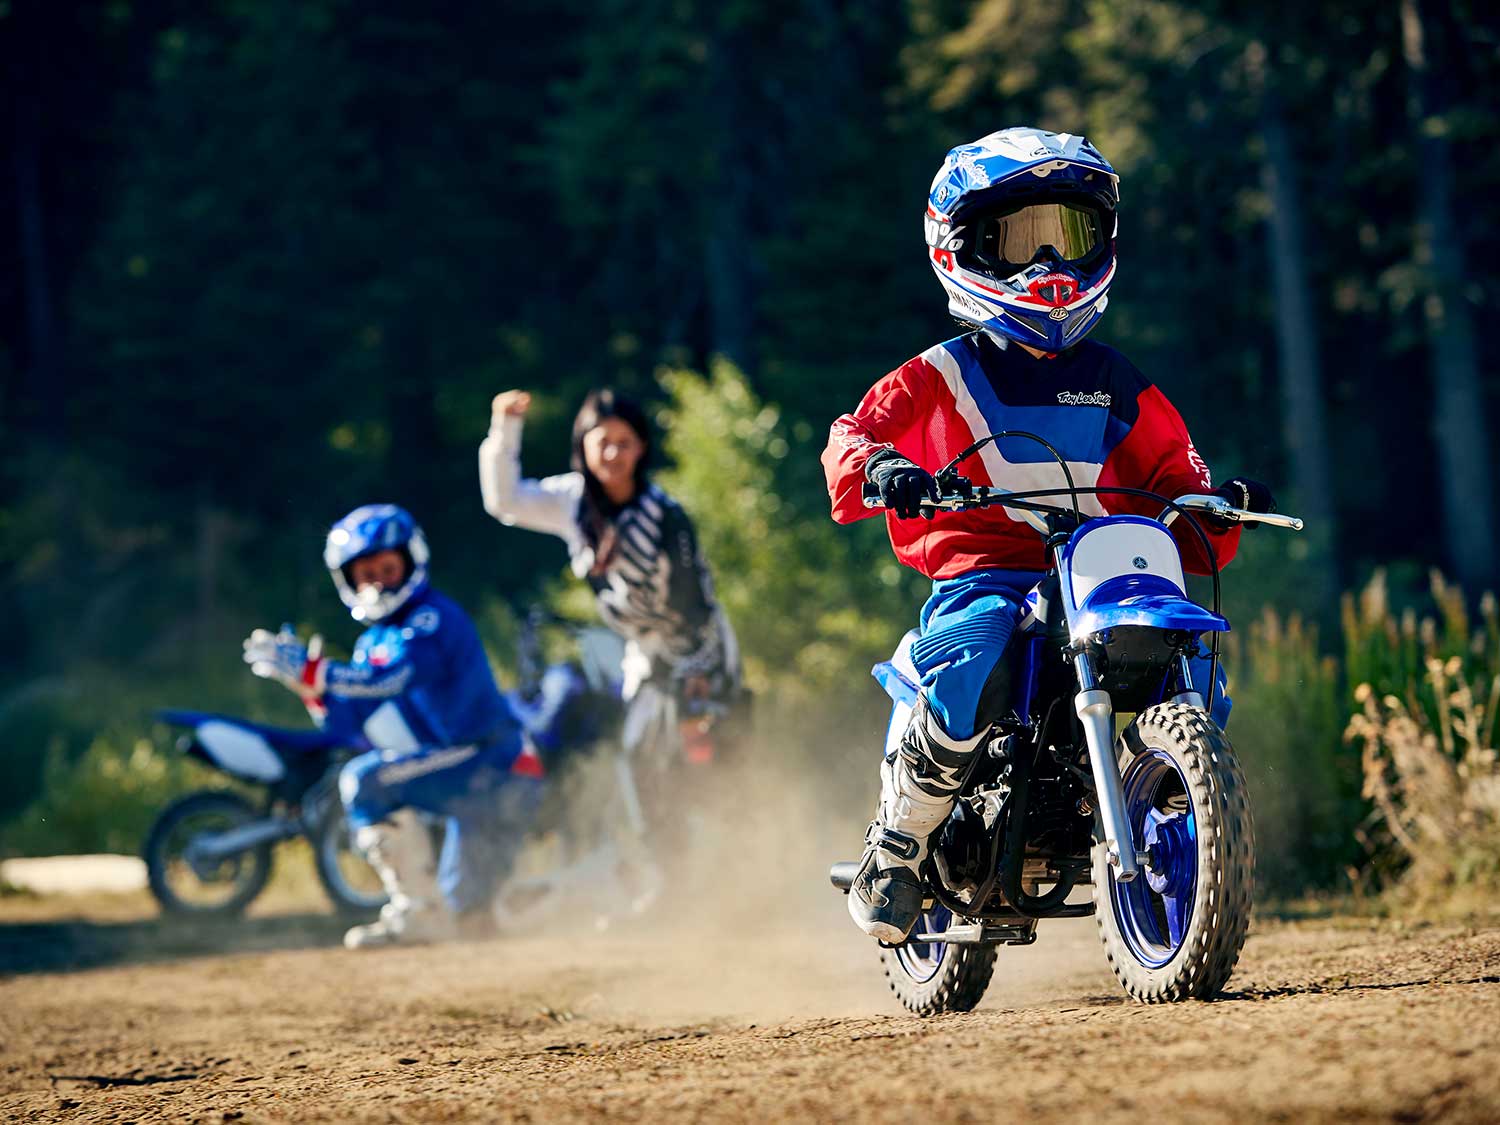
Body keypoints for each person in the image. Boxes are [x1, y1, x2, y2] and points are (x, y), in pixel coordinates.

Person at [821, 127, 1276, 943]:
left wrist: (1210, 502)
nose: (1050, 268)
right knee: (976, 648)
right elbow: (853, 433)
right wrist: (886, 470)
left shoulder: (1116, 381)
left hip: (1095, 574)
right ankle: (898, 842)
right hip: (988, 572)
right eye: (1021, 241)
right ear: (962, 247)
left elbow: (1176, 467)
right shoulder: (940, 371)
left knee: (1190, 659)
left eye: (1067, 237)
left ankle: (1172, 812)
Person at [243, 504, 543, 949]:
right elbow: (349, 721)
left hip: (491, 761)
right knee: (471, 919)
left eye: (387, 567)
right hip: (459, 773)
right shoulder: (373, 641)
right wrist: (309, 688)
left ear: (411, 560)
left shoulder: (431, 617)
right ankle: (428, 914)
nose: (376, 581)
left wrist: (318, 670)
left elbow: (393, 678)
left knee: (365, 780)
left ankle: (418, 912)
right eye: (364, 573)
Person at [478, 388, 740, 733]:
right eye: (602, 442)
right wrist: (505, 427)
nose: (613, 453)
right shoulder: (571, 501)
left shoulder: (664, 515)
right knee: (636, 751)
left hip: (699, 646)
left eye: (624, 442)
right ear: (582, 445)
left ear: (642, 448)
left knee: (707, 742)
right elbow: (505, 502)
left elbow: (692, 595)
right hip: (642, 649)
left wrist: (697, 668)